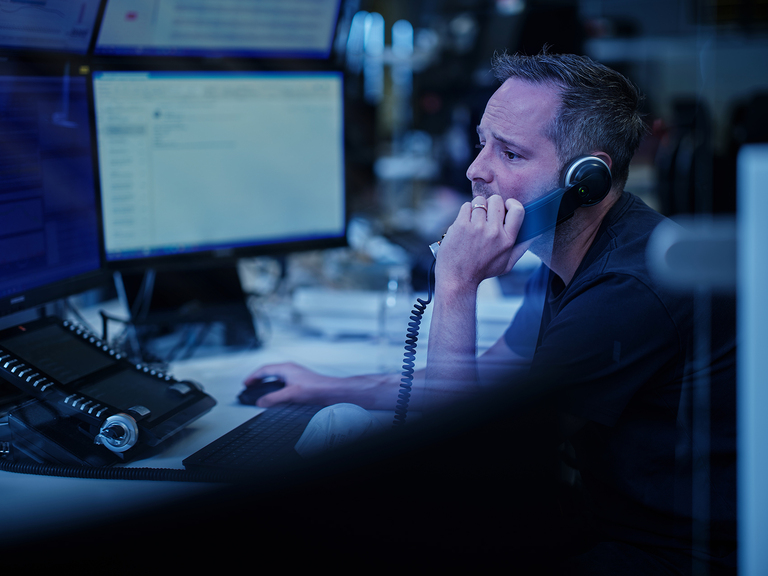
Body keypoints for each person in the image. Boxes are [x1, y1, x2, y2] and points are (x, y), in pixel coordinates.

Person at [244, 51, 736, 573]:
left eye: (511, 154)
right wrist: (326, 387)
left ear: (586, 179)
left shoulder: (624, 288)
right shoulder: (572, 254)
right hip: (602, 517)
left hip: (666, 553)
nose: (476, 170)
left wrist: (456, 284)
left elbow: (462, 466)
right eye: (484, 142)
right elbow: (489, 392)